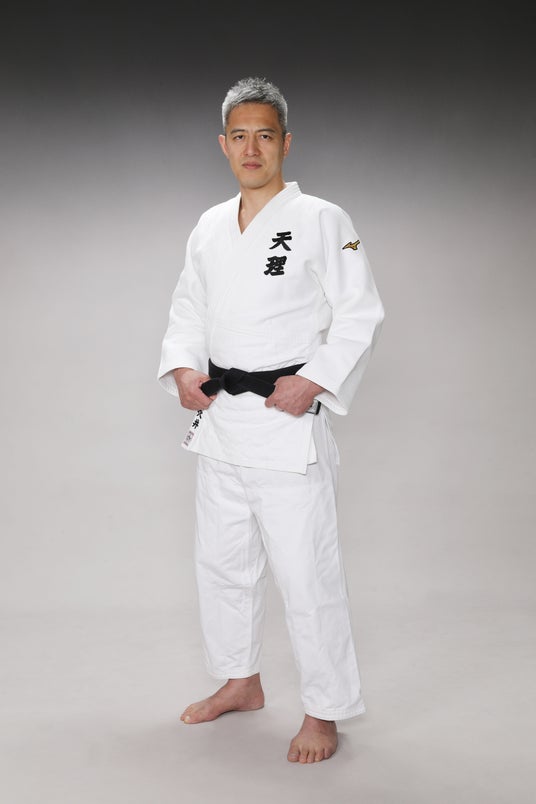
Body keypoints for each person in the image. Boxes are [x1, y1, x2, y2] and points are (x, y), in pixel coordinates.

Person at [157, 76, 385, 764]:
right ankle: (241, 681)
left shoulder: (322, 219)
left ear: (286, 143)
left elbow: (360, 312)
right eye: (239, 136)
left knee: (306, 574)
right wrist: (183, 369)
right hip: (222, 420)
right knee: (222, 562)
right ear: (223, 145)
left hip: (285, 423)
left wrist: (314, 380)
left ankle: (325, 709)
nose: (251, 148)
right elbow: (187, 309)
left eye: (264, 135)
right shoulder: (208, 225)